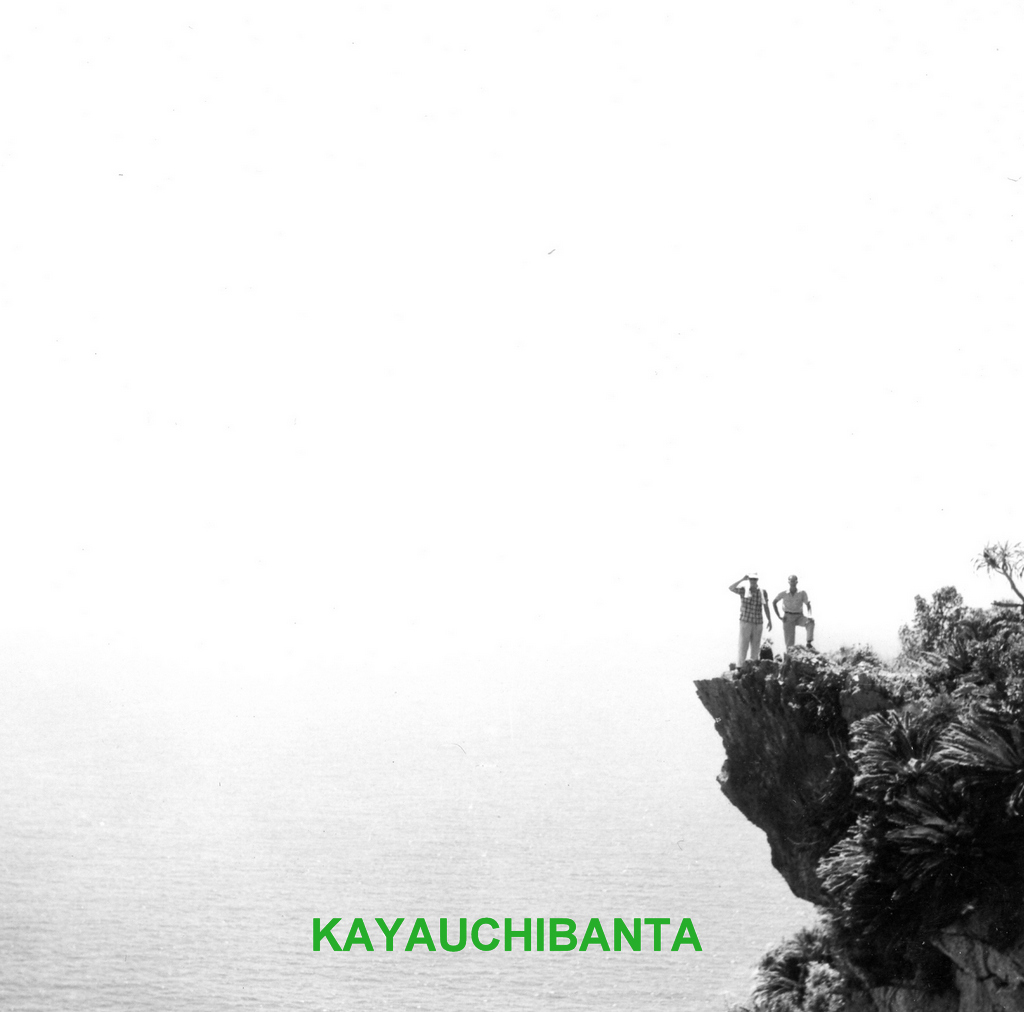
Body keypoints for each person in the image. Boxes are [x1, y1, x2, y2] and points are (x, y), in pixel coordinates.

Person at [729, 573, 773, 666]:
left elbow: (766, 606)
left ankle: (753, 667)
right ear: (749, 580)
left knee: (755, 647)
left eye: (755, 579)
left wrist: (769, 620)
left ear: (757, 580)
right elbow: (731, 588)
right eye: (751, 579)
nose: (753, 581)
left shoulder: (762, 592)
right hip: (745, 621)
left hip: (758, 622)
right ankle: (740, 667)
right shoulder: (743, 590)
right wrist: (742, 579)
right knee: (743, 645)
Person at [772, 575, 815, 651]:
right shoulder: (784, 593)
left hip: (799, 616)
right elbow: (774, 602)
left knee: (810, 622)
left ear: (797, 582)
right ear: (788, 582)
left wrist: (809, 615)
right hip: (788, 617)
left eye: (794, 581)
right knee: (790, 645)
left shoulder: (802, 593)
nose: (792, 583)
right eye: (791, 581)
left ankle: (809, 643)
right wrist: (779, 616)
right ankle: (790, 656)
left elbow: (808, 604)